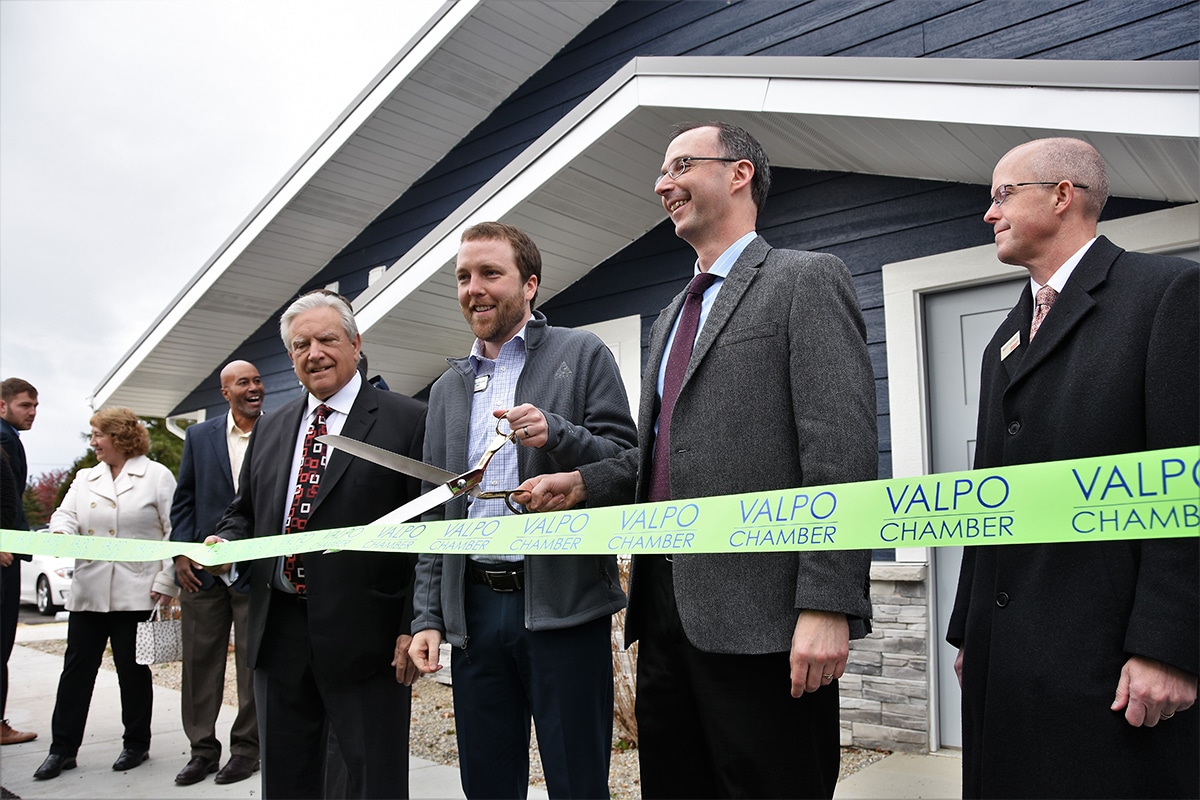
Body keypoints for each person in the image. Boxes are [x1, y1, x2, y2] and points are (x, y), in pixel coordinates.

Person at [519, 122, 878, 799]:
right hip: (662, 620)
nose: (661, 183)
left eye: (680, 164)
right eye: (660, 171)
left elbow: (842, 453)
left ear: (738, 174)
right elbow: (664, 459)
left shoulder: (806, 280)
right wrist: (581, 480)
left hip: (765, 622)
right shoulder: (669, 316)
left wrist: (829, 601)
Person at [947, 137, 1199, 798]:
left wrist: (1169, 645)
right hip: (1009, 656)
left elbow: (1190, 483)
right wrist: (971, 629)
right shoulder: (1006, 335)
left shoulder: (1168, 295)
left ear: (1063, 196)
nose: (988, 213)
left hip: (1108, 661)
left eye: (1004, 194)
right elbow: (987, 495)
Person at [407, 222, 637, 798]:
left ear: (530, 284)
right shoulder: (447, 389)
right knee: (486, 781)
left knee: (577, 781)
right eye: (463, 277)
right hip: (474, 613)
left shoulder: (581, 353)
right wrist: (428, 617)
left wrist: (557, 434)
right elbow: (436, 514)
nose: (473, 289)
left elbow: (629, 465)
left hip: (563, 604)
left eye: (490, 273)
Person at [210, 289, 427, 799]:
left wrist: (412, 626)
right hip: (278, 627)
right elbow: (244, 512)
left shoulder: (407, 420)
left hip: (368, 637)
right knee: (287, 777)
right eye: (302, 344)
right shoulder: (273, 426)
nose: (315, 353)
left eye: (327, 339)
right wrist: (225, 543)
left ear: (355, 343)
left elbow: (427, 531)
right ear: (290, 357)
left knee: (372, 778)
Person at [32, 407, 179, 780]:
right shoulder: (85, 478)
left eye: (98, 434)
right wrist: (61, 534)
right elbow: (64, 516)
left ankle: (136, 744)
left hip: (136, 591)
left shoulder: (156, 476)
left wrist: (165, 582)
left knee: (133, 672)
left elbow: (172, 531)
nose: (93, 442)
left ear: (119, 436)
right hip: (90, 591)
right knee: (76, 672)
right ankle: (62, 749)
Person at [168, 360, 263, 786]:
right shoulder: (199, 436)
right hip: (202, 573)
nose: (254, 387)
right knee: (200, 662)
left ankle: (247, 749)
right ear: (225, 392)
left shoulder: (277, 428)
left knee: (252, 662)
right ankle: (202, 750)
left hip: (254, 569)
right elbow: (184, 498)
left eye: (258, 380)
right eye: (243, 382)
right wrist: (181, 554)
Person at [0, 377, 39, 746]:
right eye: (25, 405)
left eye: (36, 406)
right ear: (2, 405)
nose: (33, 413)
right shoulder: (3, 438)